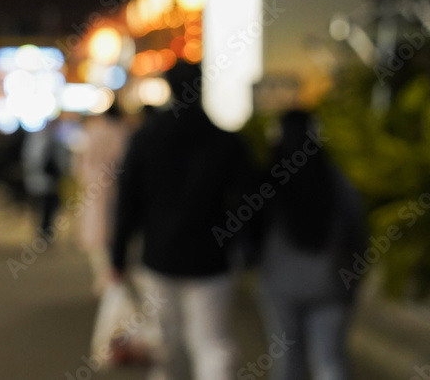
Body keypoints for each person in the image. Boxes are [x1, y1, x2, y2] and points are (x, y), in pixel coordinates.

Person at [110, 62, 255, 380]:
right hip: (211, 257)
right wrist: (246, 248)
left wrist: (117, 256)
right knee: (212, 343)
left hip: (159, 255)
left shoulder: (145, 138)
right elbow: (250, 199)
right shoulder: (225, 140)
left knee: (164, 344)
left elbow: (127, 202)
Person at [256, 109, 367, 380]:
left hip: (280, 284)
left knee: (286, 361)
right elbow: (358, 230)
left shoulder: (269, 177)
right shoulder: (333, 176)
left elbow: (251, 229)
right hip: (331, 282)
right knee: (329, 360)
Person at [74, 104, 130, 294]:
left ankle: (103, 276)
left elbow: (79, 159)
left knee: (96, 232)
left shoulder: (91, 130)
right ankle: (112, 275)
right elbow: (122, 159)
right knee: (112, 230)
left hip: (92, 185)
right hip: (113, 187)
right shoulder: (121, 131)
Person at [22, 117, 69, 239]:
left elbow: (62, 161)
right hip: (39, 180)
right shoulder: (38, 139)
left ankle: (46, 230)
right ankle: (42, 231)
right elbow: (31, 159)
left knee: (51, 207)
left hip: (52, 181)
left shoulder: (57, 140)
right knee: (39, 208)